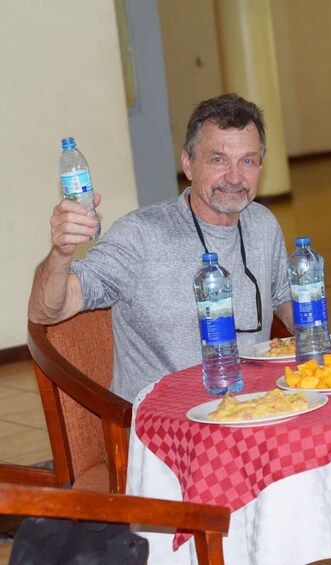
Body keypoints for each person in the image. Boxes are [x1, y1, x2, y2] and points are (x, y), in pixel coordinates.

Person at [28, 93, 293, 402]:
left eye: (247, 160)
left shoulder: (262, 224)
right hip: (164, 427)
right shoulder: (140, 234)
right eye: (218, 159)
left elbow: (284, 297)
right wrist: (61, 254)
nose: (235, 177)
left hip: (248, 409)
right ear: (188, 164)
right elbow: (46, 310)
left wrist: (313, 336)